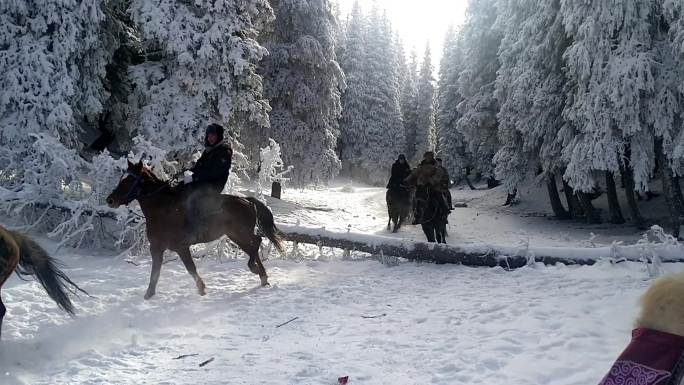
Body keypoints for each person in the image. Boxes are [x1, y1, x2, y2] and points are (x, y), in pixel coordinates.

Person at [183, 123, 233, 237]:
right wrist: (189, 170)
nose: (210, 138)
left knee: (193, 200)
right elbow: (201, 167)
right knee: (180, 190)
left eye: (213, 135)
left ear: (218, 136)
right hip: (203, 182)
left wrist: (194, 177)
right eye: (208, 135)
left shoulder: (223, 151)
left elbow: (214, 172)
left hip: (214, 185)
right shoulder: (209, 150)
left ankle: (193, 231)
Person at [405, 151, 449, 224]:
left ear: (432, 157)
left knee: (440, 198)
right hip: (422, 187)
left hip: (434, 187)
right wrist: (407, 180)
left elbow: (439, 175)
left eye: (429, 156)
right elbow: (414, 173)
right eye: (426, 156)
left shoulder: (436, 166)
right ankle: (417, 216)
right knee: (416, 199)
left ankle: (444, 214)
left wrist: (431, 181)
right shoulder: (421, 165)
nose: (428, 158)